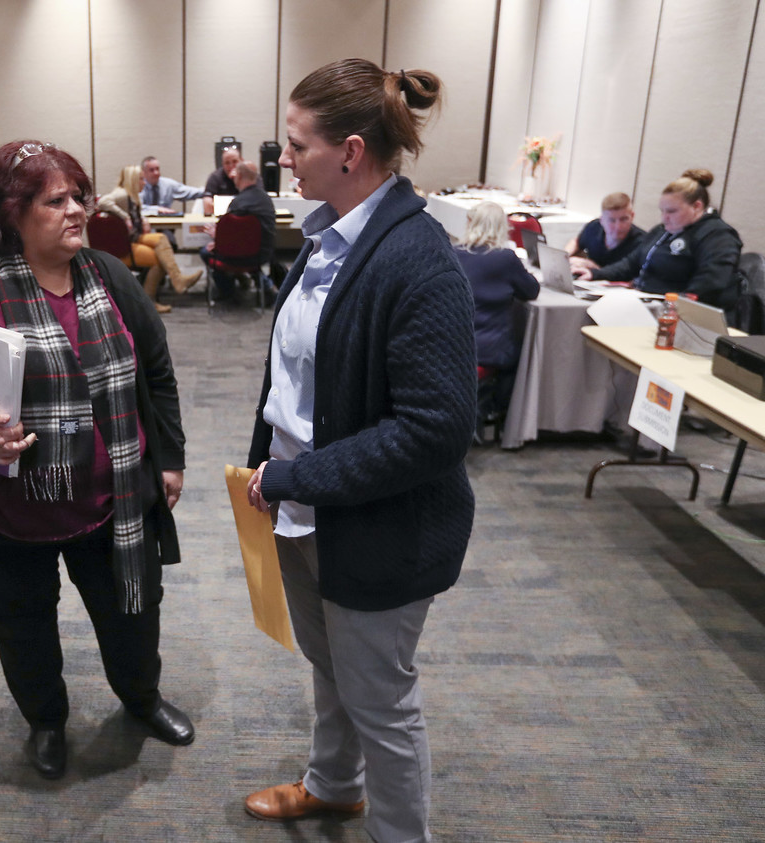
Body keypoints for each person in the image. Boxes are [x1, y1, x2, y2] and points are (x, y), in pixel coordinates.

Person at [0, 140, 193, 781]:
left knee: (132, 614)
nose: (78, 209)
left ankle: (141, 699)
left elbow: (156, 373)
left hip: (111, 503)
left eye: (79, 195)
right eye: (57, 201)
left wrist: (170, 458)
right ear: (13, 212)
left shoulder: (109, 276)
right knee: (23, 628)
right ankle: (46, 722)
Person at [242, 59, 475, 843]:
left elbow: (435, 428)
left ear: (348, 151)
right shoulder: (327, 238)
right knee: (332, 670)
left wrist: (296, 474)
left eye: (294, 144)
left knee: (382, 700)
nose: (282, 156)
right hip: (309, 508)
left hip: (378, 524)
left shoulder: (417, 258)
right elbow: (301, 381)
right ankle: (335, 787)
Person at [578, 169, 743, 309]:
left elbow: (707, 288)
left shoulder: (718, 236)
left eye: (671, 211)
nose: (664, 218)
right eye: (662, 211)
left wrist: (667, 306)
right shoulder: (663, 231)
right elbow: (631, 264)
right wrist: (594, 274)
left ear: (697, 206)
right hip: (644, 301)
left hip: (674, 313)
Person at [454, 202, 540, 417]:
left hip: (453, 342)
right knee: (524, 354)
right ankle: (498, 410)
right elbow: (531, 290)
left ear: (470, 223)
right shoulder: (505, 258)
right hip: (489, 348)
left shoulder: (453, 253)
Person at [97, 164, 203, 313]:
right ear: (133, 180)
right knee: (158, 259)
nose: (144, 182)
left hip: (133, 238)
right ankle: (151, 301)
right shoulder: (121, 194)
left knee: (161, 238)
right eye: (141, 179)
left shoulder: (132, 196)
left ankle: (177, 279)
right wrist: (125, 216)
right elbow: (102, 202)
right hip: (124, 246)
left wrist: (142, 219)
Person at [200, 161, 277, 304]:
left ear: (239, 176)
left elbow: (234, 236)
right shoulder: (266, 200)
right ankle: (261, 284)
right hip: (261, 254)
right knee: (245, 256)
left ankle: (228, 291)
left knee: (205, 252)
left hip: (233, 256)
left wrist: (217, 240)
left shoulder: (238, 203)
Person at [566, 191, 644, 272]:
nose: (618, 226)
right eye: (612, 220)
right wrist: (565, 257)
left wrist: (595, 269)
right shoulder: (594, 227)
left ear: (632, 216)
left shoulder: (642, 243)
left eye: (624, 219)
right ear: (602, 220)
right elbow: (577, 242)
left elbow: (634, 279)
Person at [201, 145, 263, 214]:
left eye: (235, 161)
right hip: (222, 217)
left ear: (241, 161)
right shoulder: (215, 177)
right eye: (227, 163)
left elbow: (259, 200)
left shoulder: (251, 175)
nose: (231, 166)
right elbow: (207, 205)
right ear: (222, 164)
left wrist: (239, 180)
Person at [138, 156, 204, 214]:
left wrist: (210, 190)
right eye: (151, 170)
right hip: (144, 225)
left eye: (157, 169)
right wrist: (157, 209)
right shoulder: (139, 186)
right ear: (143, 172)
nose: (156, 173)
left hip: (165, 226)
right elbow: (138, 207)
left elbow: (191, 192)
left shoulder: (168, 185)